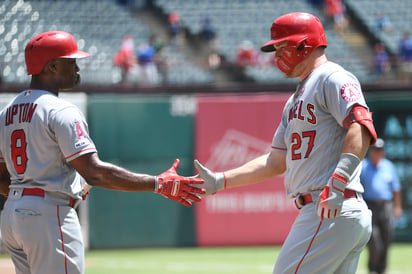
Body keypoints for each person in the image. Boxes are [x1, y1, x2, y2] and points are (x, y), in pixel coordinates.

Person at [0, 31, 205, 274]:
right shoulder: (60, 110)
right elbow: (94, 173)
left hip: (13, 215)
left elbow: (2, 178)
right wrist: (158, 183)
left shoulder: (7, 113)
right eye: (71, 62)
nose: (77, 68)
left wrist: (29, 195)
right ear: (52, 66)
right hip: (48, 215)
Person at [193, 12, 377, 274]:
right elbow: (275, 162)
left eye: (282, 47)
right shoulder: (295, 99)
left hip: (329, 207)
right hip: (333, 210)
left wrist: (338, 179)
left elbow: (360, 126)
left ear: (304, 44)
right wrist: (221, 180)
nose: (276, 55)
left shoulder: (332, 77)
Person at [360, 138, 402, 274]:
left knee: (386, 239)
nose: (377, 152)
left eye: (380, 150)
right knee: (374, 239)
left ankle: (381, 270)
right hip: (369, 206)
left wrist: (397, 207)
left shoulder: (388, 166)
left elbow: (395, 189)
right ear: (371, 151)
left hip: (386, 206)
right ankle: (372, 268)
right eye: (375, 150)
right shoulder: (363, 166)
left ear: (383, 152)